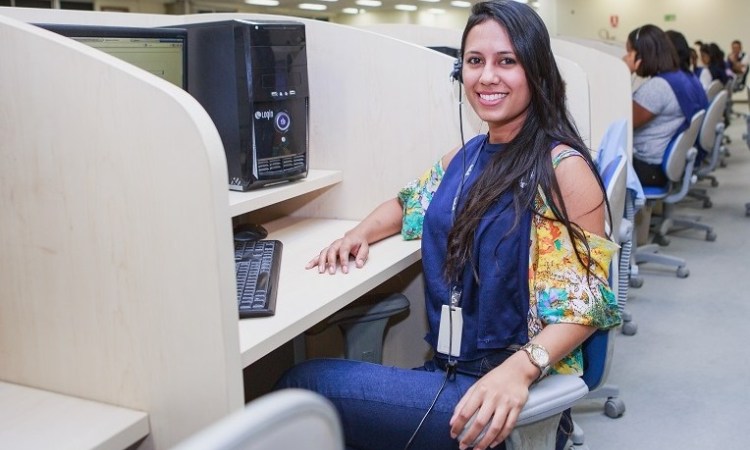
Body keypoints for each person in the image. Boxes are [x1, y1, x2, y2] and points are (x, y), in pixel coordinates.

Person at [275, 2, 621, 450]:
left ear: (536, 72)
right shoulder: (469, 155)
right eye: (475, 61)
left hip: (500, 389)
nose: (487, 76)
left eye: (507, 61)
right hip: (449, 370)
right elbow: (407, 204)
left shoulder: (560, 169)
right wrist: (358, 233)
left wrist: (520, 370)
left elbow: (585, 305)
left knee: (302, 387)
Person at [623, 25, 707, 187]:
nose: (626, 57)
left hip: (648, 166)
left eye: (629, 52)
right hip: (660, 162)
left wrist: (623, 72)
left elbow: (621, 122)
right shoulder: (677, 77)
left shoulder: (658, 87)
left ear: (642, 54)